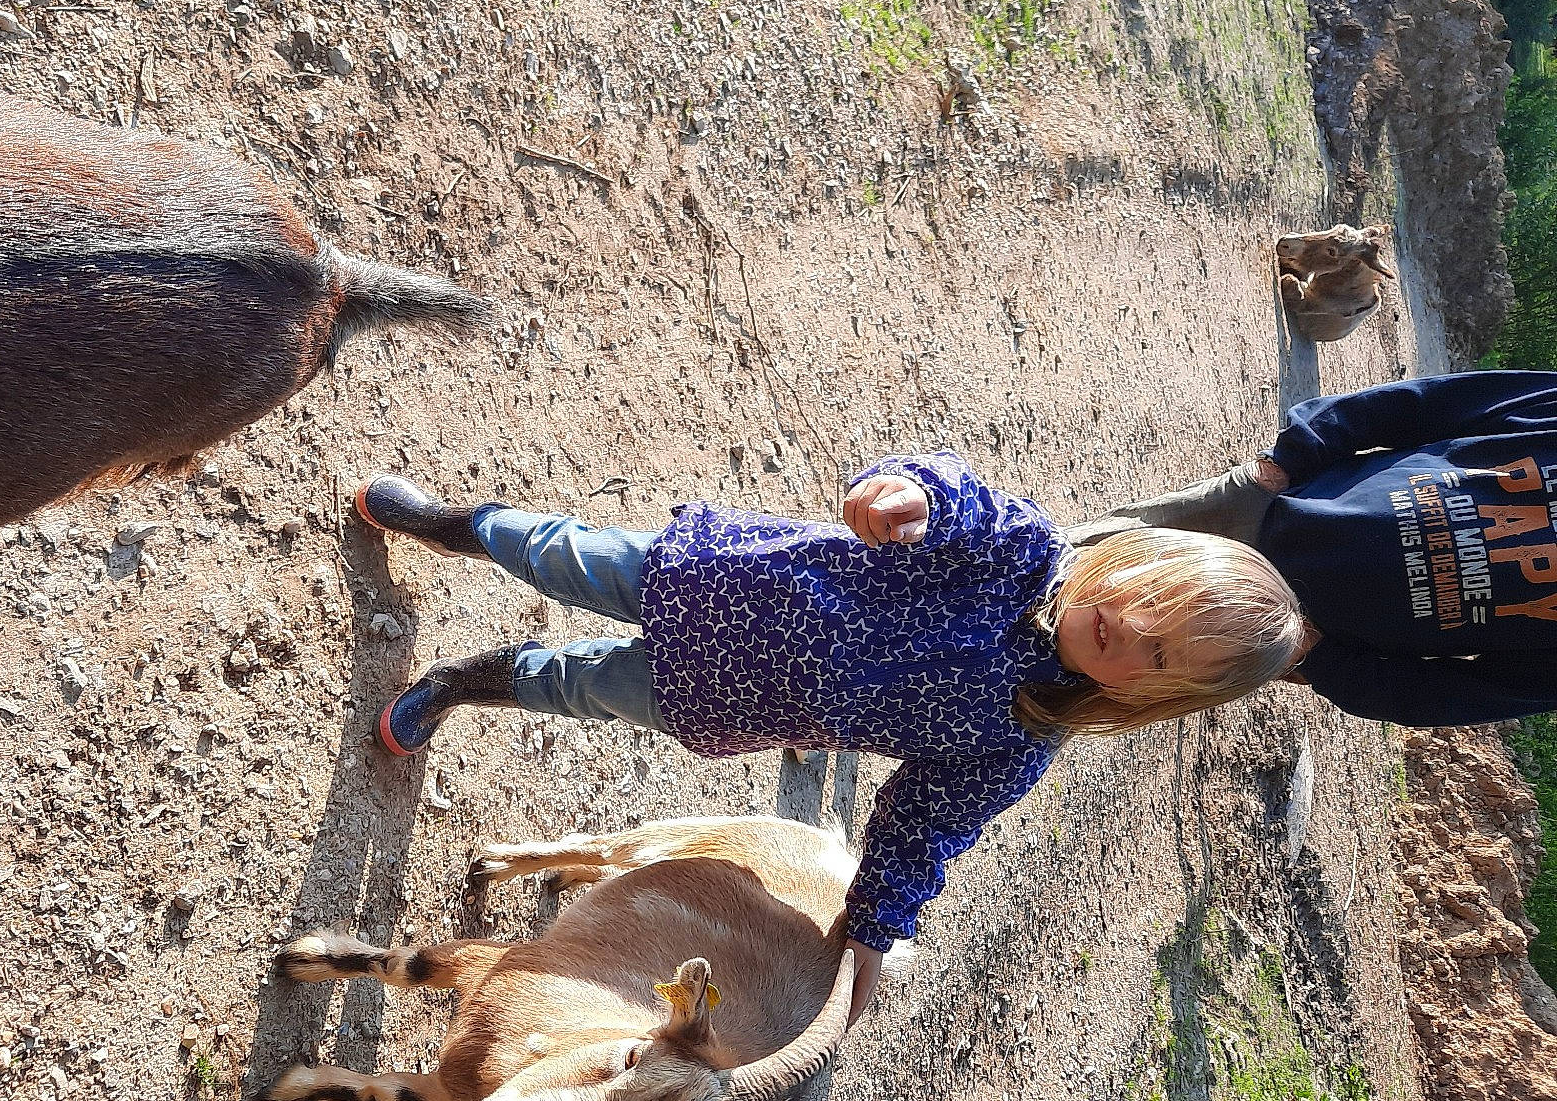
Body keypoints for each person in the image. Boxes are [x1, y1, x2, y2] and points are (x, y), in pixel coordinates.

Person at [353, 456, 1304, 1017]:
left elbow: (923, 827)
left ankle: (466, 682)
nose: (1130, 628)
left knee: (584, 686)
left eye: (1160, 651)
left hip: (730, 695)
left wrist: (876, 935)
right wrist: (908, 497)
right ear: (1135, 557)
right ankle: (462, 526)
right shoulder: (1021, 553)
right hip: (719, 579)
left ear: (1154, 695)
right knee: (567, 557)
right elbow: (953, 498)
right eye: (1151, 600)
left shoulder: (1020, 739)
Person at [1071, 370, 1557, 725]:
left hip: (1265, 634)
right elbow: (1426, 404)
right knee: (1074, 561)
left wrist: (1322, 663)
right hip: (1268, 509)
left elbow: (1469, 695)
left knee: (1101, 669)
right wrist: (1290, 458)